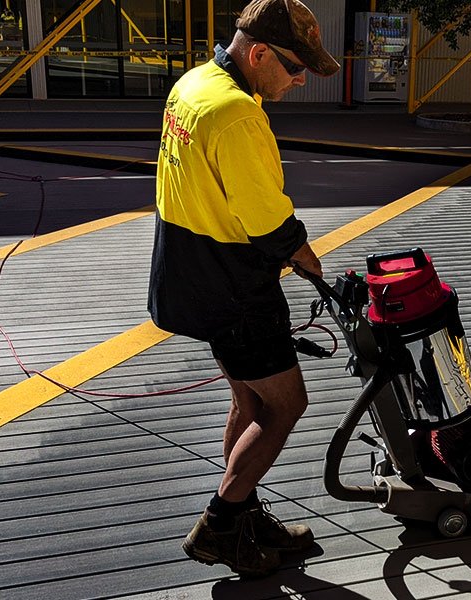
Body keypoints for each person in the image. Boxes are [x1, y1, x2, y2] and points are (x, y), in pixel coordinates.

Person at [147, 0, 340, 579]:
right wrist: (311, 262)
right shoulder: (236, 112)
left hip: (191, 270)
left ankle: (245, 507)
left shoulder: (194, 84)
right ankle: (223, 523)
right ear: (258, 53)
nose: (301, 78)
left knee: (248, 402)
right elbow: (266, 221)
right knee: (287, 405)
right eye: (295, 67)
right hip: (233, 285)